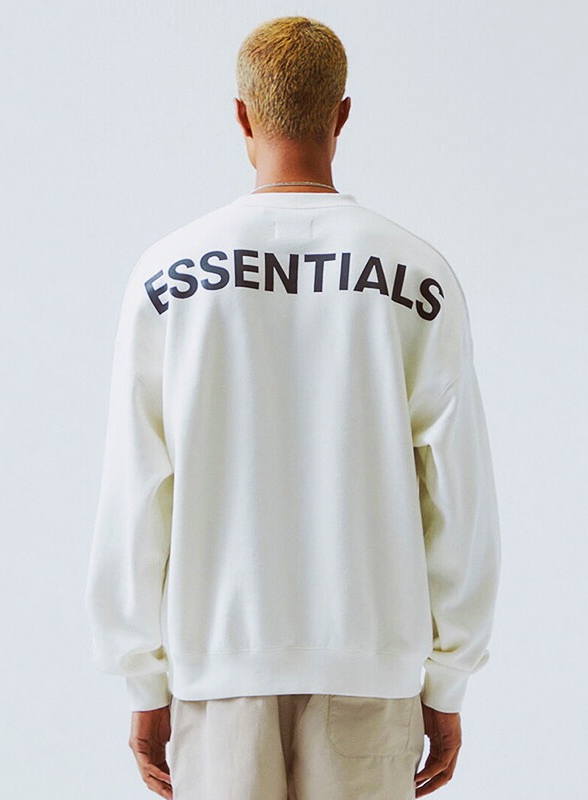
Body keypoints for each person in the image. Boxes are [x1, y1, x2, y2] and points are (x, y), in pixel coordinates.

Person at [84, 14, 501, 800]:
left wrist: (143, 678)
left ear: (242, 115)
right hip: (370, 670)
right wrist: (448, 681)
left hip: (218, 670)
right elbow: (459, 494)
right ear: (342, 114)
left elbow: (134, 488)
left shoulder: (166, 278)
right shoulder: (419, 276)